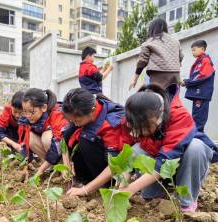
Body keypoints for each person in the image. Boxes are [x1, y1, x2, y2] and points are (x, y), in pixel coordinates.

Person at [67, 84, 218, 213]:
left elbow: (162, 163)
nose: (141, 133)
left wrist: (131, 189)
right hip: (159, 163)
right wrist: (121, 182)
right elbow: (123, 159)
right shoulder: (131, 119)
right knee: (137, 150)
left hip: (182, 164)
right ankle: (157, 195)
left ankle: (187, 203)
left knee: (195, 147)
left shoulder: (179, 116)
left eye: (145, 128)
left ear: (158, 117)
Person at [61, 88, 124, 185]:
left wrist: (87, 190)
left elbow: (115, 163)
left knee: (86, 141)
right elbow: (64, 138)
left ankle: (105, 185)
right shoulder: (82, 113)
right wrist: (66, 165)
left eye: (77, 121)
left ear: (92, 110)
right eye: (72, 121)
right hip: (97, 165)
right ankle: (83, 179)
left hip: (114, 171)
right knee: (73, 135)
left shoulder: (111, 123)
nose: (75, 124)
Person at [18, 88, 69, 177]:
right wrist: (25, 167)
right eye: (25, 111)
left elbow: (60, 145)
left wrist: (40, 171)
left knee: (46, 137)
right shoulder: (27, 120)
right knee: (30, 138)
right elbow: (25, 144)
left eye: (31, 112)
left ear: (44, 107)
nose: (28, 116)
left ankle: (64, 169)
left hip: (67, 154)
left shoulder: (56, 114)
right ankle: (54, 167)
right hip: (53, 154)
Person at [130, 18, 183, 90]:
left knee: (157, 98)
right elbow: (180, 57)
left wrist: (135, 79)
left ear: (152, 28)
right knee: (172, 99)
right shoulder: (175, 41)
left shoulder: (149, 42)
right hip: (175, 75)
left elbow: (142, 62)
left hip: (158, 76)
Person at [181, 40, 215, 133]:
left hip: (201, 95)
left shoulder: (205, 61)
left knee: (198, 121)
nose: (192, 52)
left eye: (194, 50)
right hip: (199, 95)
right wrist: (187, 82)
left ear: (202, 49)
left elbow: (202, 75)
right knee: (197, 119)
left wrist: (187, 82)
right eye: (192, 50)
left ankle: (202, 142)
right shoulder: (200, 61)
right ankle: (199, 140)